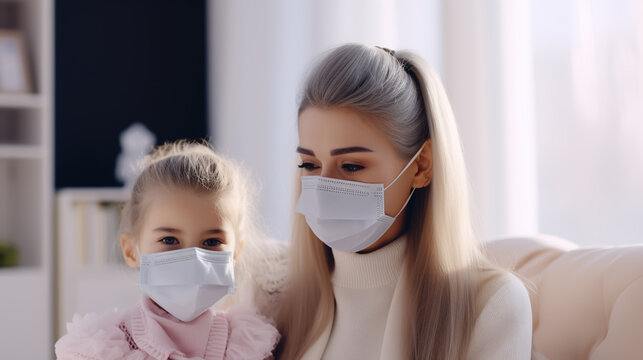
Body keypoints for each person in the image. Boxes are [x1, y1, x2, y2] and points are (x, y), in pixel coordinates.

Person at [257, 44, 532, 360]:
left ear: (421, 165)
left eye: (351, 166)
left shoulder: (489, 305)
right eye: (310, 165)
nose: (323, 188)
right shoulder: (274, 300)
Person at [55, 141, 279, 360]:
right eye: (169, 239)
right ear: (132, 251)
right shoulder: (101, 349)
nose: (193, 259)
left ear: (236, 253)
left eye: (211, 242)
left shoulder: (248, 346)